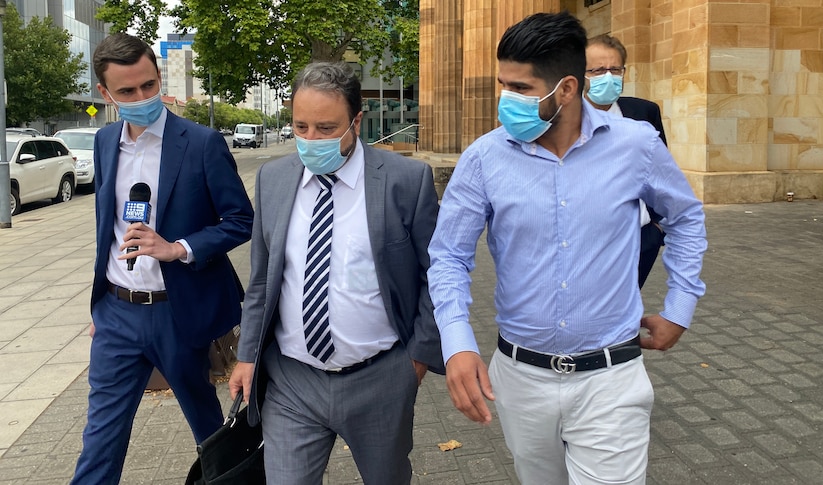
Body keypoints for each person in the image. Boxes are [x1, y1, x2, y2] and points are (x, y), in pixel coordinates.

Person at [428, 11, 706, 485]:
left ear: (567, 90)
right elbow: (448, 256)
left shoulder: (635, 145)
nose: (505, 101)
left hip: (611, 377)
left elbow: (684, 217)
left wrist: (680, 307)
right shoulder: (483, 159)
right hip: (520, 379)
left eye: (520, 88)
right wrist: (456, 344)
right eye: (503, 85)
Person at [229, 61, 444, 484]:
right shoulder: (273, 178)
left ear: (356, 122)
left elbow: (436, 275)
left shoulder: (406, 181)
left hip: (379, 377)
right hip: (292, 380)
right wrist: (247, 354)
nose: (311, 140)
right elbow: (262, 279)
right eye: (301, 127)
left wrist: (416, 359)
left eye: (326, 128)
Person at [72, 33, 254, 484]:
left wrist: (178, 248)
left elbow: (240, 220)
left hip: (180, 314)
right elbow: (106, 226)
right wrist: (103, 299)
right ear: (106, 94)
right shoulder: (104, 140)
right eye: (128, 92)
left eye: (149, 85)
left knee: (212, 433)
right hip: (116, 314)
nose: (142, 98)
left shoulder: (202, 142)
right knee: (99, 440)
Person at [584, 33, 668, 288]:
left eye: (614, 69)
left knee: (626, 312)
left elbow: (662, 174)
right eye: (597, 70)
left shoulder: (644, 112)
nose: (607, 76)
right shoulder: (563, 120)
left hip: (640, 239)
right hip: (586, 245)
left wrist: (657, 228)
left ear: (624, 71)